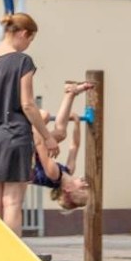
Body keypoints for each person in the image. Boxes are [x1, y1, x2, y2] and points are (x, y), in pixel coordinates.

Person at [0, 12, 48, 231]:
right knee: (12, 202)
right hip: (14, 135)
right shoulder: (22, 61)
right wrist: (47, 137)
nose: (27, 46)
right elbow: (28, 104)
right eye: (30, 40)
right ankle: (12, 257)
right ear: (24, 33)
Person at [35, 81, 95, 211]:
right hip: (34, 148)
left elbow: (40, 145)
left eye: (82, 187)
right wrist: (77, 124)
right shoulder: (68, 171)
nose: (85, 183)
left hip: (26, 152)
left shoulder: (53, 174)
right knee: (61, 133)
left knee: (44, 116)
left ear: (68, 189)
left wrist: (37, 126)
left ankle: (21, 109)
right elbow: (74, 146)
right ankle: (70, 93)